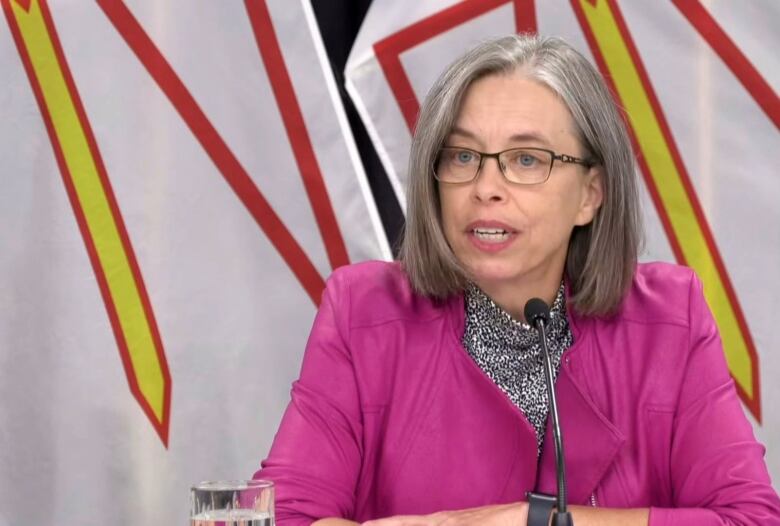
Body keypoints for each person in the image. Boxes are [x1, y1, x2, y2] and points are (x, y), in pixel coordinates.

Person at [254, 34, 780, 525]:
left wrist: (535, 521)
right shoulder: (362, 312)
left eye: (526, 160)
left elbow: (751, 518)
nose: (486, 188)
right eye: (463, 156)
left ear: (590, 195)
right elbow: (281, 517)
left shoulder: (671, 318)